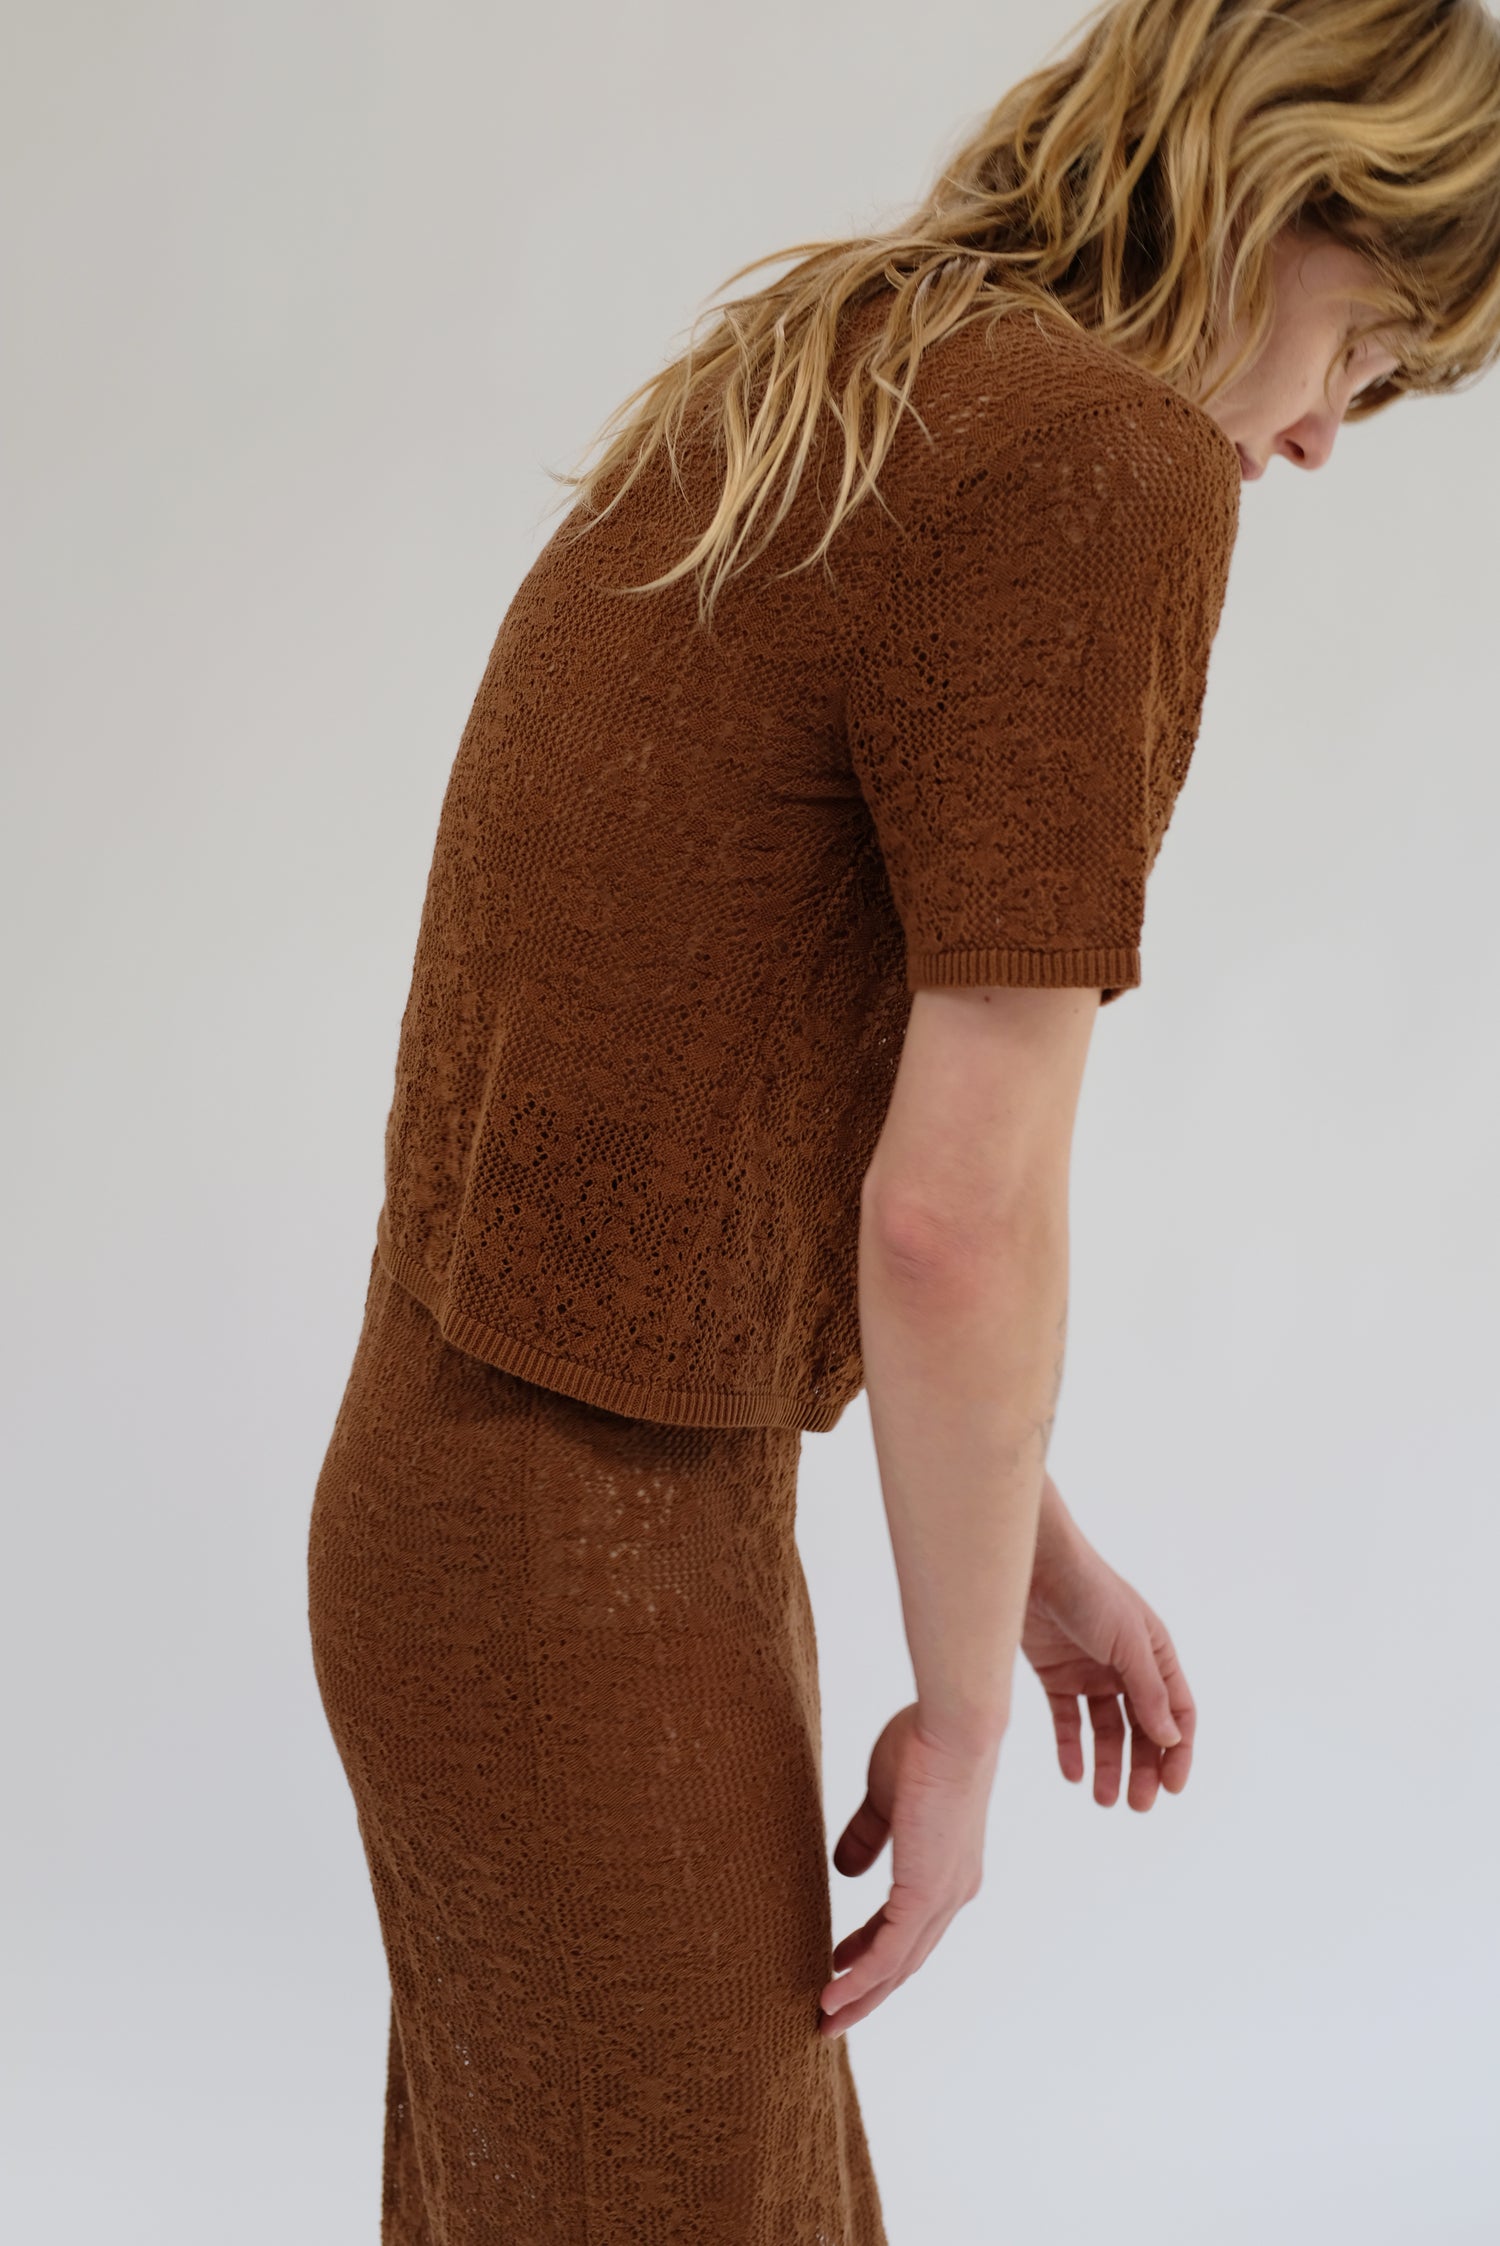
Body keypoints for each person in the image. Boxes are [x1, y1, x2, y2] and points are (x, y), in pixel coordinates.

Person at [305, 1, 1500, 2239]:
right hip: (590, 1564)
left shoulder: (843, 350)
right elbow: (958, 1213)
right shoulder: (1100, 464)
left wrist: (1025, 1544)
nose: (1328, 431)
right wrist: (958, 1726)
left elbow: (698, 1086)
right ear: (1282, 185)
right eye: (1372, 338)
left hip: (480, 1512)